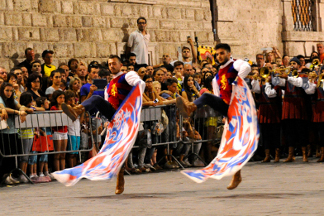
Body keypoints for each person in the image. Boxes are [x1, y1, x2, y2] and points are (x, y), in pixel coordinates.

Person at [61, 55, 144, 194]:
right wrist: (106, 121)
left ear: (120, 64)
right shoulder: (109, 85)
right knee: (96, 98)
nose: (111, 66)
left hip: (125, 114)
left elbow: (140, 84)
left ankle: (120, 177)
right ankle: (77, 111)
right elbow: (108, 102)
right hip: (114, 116)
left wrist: (136, 98)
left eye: (114, 63)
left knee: (121, 150)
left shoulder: (127, 76)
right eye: (109, 64)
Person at [176, 43, 251, 190]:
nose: (219, 56)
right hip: (227, 108)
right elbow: (218, 96)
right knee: (208, 96)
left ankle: (237, 175)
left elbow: (246, 67)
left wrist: (238, 80)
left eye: (222, 53)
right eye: (217, 54)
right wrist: (223, 113)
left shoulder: (235, 65)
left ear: (229, 54)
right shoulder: (216, 76)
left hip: (239, 107)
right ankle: (191, 108)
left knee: (233, 145)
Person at [50, 90, 68, 171]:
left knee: (63, 154)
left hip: (65, 130)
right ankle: (58, 171)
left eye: (63, 97)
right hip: (57, 131)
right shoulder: (53, 108)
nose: (62, 99)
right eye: (60, 97)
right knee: (57, 154)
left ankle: (63, 170)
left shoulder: (65, 107)